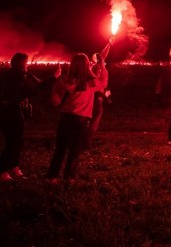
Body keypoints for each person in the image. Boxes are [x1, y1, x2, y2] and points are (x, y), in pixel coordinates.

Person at [47, 53, 108, 183]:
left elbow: (55, 101)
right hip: (80, 119)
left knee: (60, 148)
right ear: (87, 65)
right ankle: (69, 178)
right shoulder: (90, 82)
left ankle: (52, 177)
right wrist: (102, 67)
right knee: (74, 150)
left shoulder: (64, 79)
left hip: (65, 117)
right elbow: (103, 82)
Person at [1, 53, 59, 181]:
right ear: (22, 63)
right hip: (13, 113)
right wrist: (54, 77)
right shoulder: (20, 76)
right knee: (14, 143)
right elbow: (36, 88)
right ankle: (3, 170)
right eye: (26, 62)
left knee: (14, 141)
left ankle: (14, 167)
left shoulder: (8, 74)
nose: (27, 65)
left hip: (5, 113)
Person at [82, 37, 114, 151]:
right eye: (98, 58)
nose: (101, 59)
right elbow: (102, 56)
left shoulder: (100, 70)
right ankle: (85, 144)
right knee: (91, 122)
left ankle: (86, 143)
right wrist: (109, 45)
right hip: (93, 99)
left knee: (91, 122)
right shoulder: (93, 67)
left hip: (98, 98)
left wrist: (108, 97)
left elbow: (104, 86)